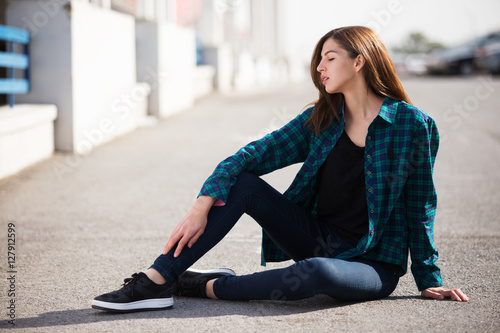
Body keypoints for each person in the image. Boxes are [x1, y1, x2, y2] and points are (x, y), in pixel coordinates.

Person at [92, 26, 468, 313]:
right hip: (316, 237)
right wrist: (201, 203)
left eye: (330, 57)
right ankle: (158, 280)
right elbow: (252, 155)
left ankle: (206, 286)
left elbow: (421, 206)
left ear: (360, 61)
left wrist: (427, 279)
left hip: (372, 263)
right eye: (319, 59)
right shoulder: (322, 119)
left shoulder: (412, 125)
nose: (319, 67)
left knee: (319, 273)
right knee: (243, 184)